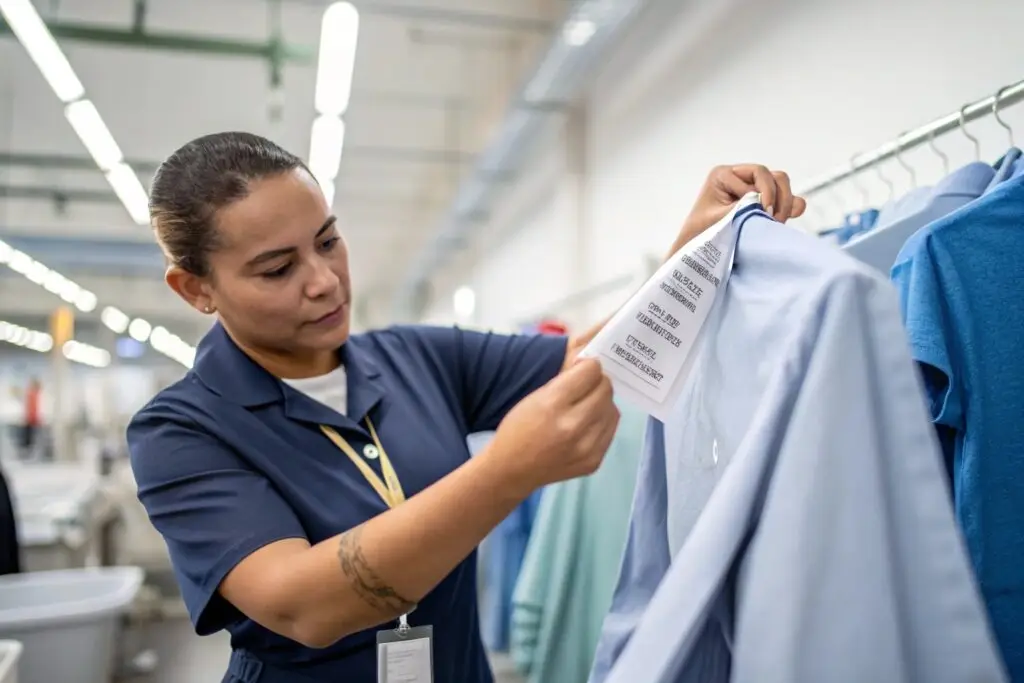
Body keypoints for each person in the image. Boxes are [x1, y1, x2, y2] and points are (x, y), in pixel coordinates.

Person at [127, 131, 805, 683]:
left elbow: (590, 359)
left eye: (328, 240)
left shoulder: (415, 358)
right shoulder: (182, 430)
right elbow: (307, 603)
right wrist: (508, 471)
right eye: (278, 269)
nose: (324, 280)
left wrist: (694, 245)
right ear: (196, 290)